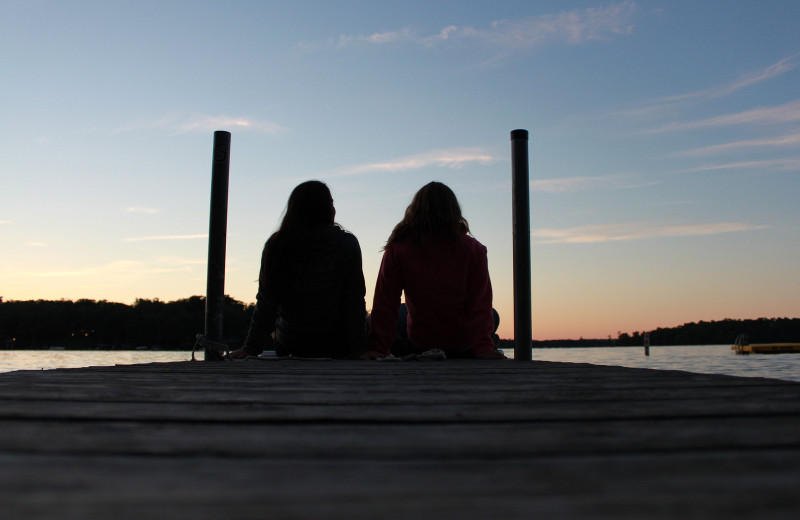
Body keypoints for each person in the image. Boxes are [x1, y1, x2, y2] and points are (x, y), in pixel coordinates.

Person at [229, 180, 381, 360]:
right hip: (338, 345)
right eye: (331, 203)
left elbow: (266, 302)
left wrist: (251, 348)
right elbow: (354, 300)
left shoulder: (276, 245)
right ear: (327, 209)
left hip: (291, 345)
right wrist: (360, 350)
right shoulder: (346, 243)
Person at [369, 181, 505, 359]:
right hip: (463, 340)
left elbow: (385, 302)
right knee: (492, 313)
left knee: (397, 311)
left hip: (420, 340)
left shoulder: (399, 249)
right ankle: (482, 343)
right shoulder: (474, 249)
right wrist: (483, 348)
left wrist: (379, 349)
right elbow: (480, 302)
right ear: (454, 211)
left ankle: (398, 345)